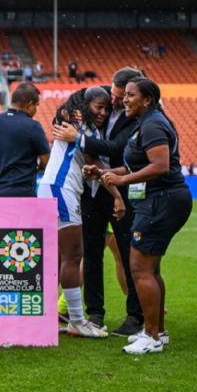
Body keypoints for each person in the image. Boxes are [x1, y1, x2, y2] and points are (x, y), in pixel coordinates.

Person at [96, 77, 192, 354]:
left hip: (161, 201)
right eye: (124, 94)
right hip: (159, 200)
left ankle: (152, 337)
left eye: (130, 95)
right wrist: (109, 174)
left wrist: (122, 182)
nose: (124, 99)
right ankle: (156, 332)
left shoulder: (152, 124)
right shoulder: (148, 123)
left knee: (139, 267)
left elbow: (160, 165)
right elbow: (139, 165)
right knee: (150, 268)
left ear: (147, 99)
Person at [52, 67, 144, 336]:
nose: (114, 102)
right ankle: (95, 315)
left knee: (129, 253)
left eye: (121, 97)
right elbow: (68, 107)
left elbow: (117, 149)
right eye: (113, 94)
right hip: (89, 191)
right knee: (91, 253)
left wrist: (78, 138)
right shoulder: (100, 97)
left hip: (121, 189)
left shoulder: (136, 117)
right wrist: (63, 118)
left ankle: (135, 316)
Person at [38, 87, 124, 338]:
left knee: (57, 257)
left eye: (107, 108)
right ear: (85, 105)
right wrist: (118, 196)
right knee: (73, 255)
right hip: (61, 188)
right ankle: (76, 319)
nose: (103, 112)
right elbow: (95, 163)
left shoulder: (79, 124)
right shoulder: (79, 124)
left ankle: (42, 318)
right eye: (99, 106)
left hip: (55, 187)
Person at [0, 83, 50, 197]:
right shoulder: (33, 126)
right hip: (22, 193)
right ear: (29, 104)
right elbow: (45, 161)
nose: (36, 110)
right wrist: (38, 168)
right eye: (36, 105)